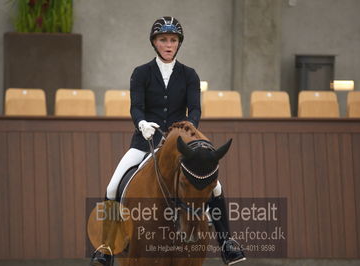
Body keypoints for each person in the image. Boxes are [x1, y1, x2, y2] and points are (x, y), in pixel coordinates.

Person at [91, 16, 245, 266]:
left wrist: (188, 129)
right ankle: (106, 247)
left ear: (178, 43)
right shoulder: (141, 73)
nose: (168, 44)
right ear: (155, 42)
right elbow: (136, 108)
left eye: (173, 40)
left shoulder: (190, 75)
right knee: (112, 186)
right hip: (145, 142)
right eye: (163, 39)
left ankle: (227, 243)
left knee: (216, 187)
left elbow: (195, 110)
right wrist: (142, 125)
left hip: (179, 146)